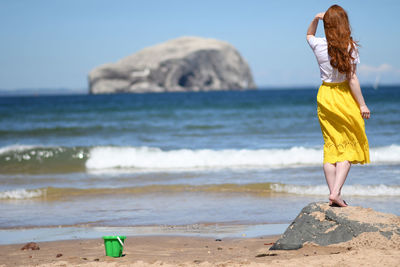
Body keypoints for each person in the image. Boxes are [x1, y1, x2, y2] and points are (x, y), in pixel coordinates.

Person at [306, 5, 370, 207]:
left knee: (331, 146)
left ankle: (333, 194)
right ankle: (336, 193)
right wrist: (362, 104)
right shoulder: (349, 47)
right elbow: (352, 79)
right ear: (344, 24)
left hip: (325, 95)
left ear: (327, 25)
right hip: (344, 96)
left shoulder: (318, 45)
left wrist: (317, 19)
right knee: (349, 145)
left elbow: (309, 34)